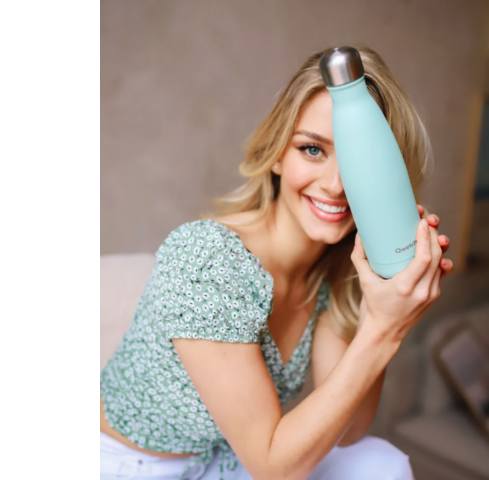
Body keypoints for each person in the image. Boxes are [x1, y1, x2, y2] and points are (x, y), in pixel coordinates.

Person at [100, 46, 454, 480]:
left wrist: (384, 296)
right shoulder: (207, 259)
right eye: (313, 149)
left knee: (382, 463)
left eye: (360, 162)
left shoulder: (331, 273)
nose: (336, 185)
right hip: (125, 466)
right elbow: (273, 467)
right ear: (278, 154)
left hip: (222, 460)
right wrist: (385, 329)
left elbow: (351, 430)